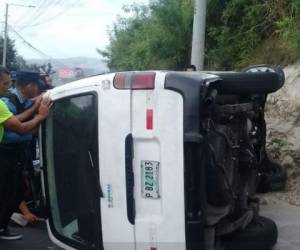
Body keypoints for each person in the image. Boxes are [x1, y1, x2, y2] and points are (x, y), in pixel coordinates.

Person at [0, 66, 51, 240]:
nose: (38, 89)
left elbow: (21, 121)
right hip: (6, 152)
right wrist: (38, 121)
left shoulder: (28, 100)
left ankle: (3, 225)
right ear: (28, 85)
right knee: (7, 190)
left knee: (20, 189)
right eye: (36, 85)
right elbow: (15, 130)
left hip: (21, 153)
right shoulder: (6, 101)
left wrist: (36, 108)